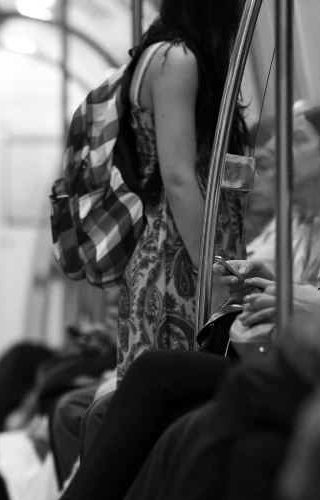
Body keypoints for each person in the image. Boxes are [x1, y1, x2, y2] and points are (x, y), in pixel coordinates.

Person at [0, 101, 320, 500]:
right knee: (72, 382)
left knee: (130, 393)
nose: (271, 158)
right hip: (271, 353)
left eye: (297, 141)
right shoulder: (294, 225)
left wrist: (285, 298)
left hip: (306, 366)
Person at [107, 0, 249, 375]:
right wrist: (213, 275)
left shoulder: (163, 53)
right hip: (181, 266)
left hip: (175, 254)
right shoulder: (177, 60)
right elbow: (180, 179)